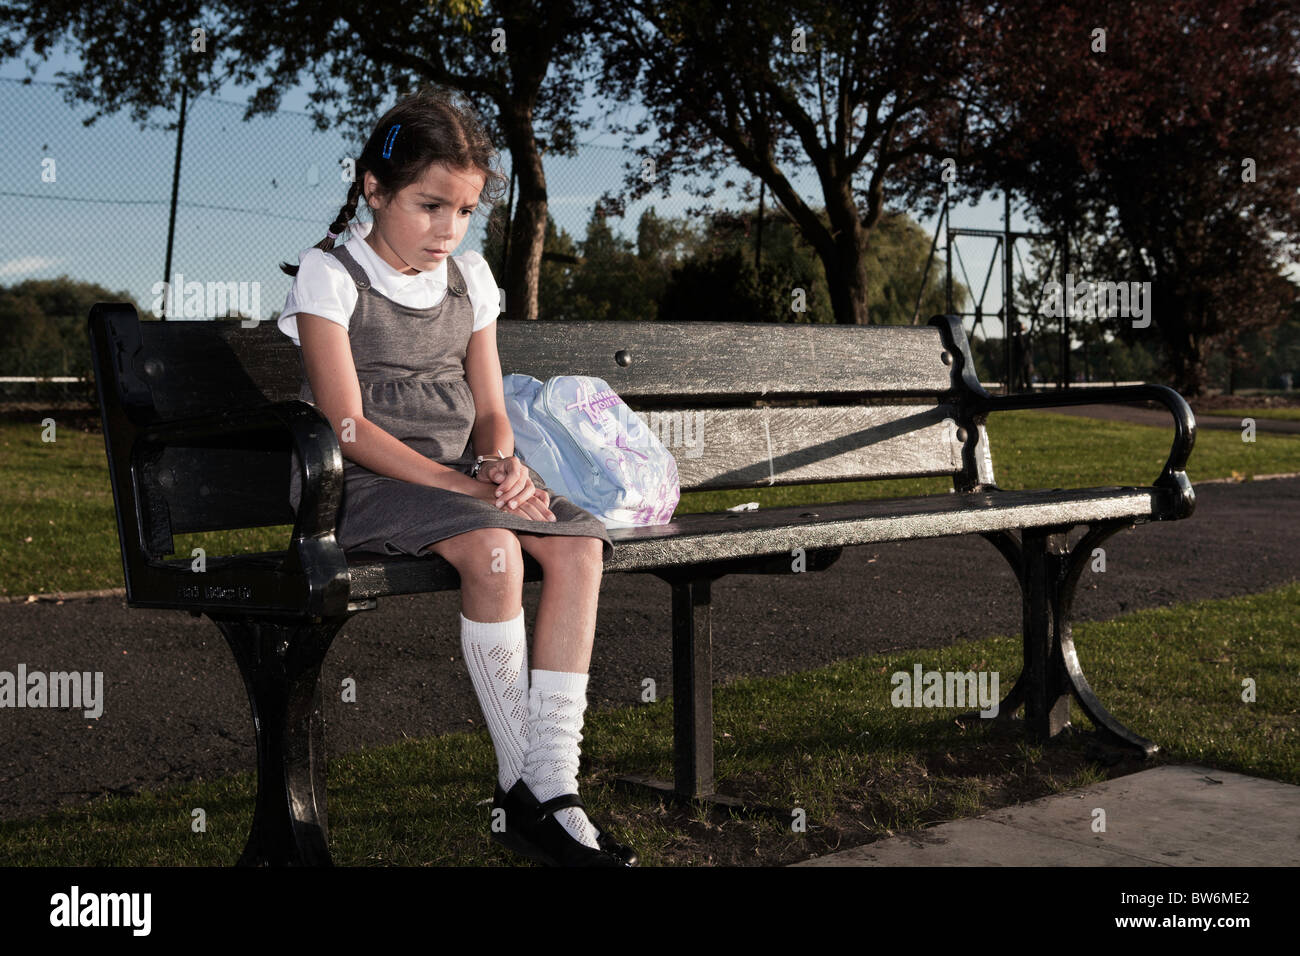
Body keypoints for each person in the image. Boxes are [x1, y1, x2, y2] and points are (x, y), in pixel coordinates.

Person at [277, 86, 636, 867]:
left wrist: (501, 463)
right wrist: (473, 492)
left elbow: (490, 405)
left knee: (579, 546)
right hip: (360, 483)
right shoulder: (330, 275)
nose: (448, 229)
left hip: (457, 479)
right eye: (429, 205)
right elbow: (347, 427)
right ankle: (523, 787)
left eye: (465, 210)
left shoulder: (470, 279)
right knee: (497, 552)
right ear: (375, 190)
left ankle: (553, 781)